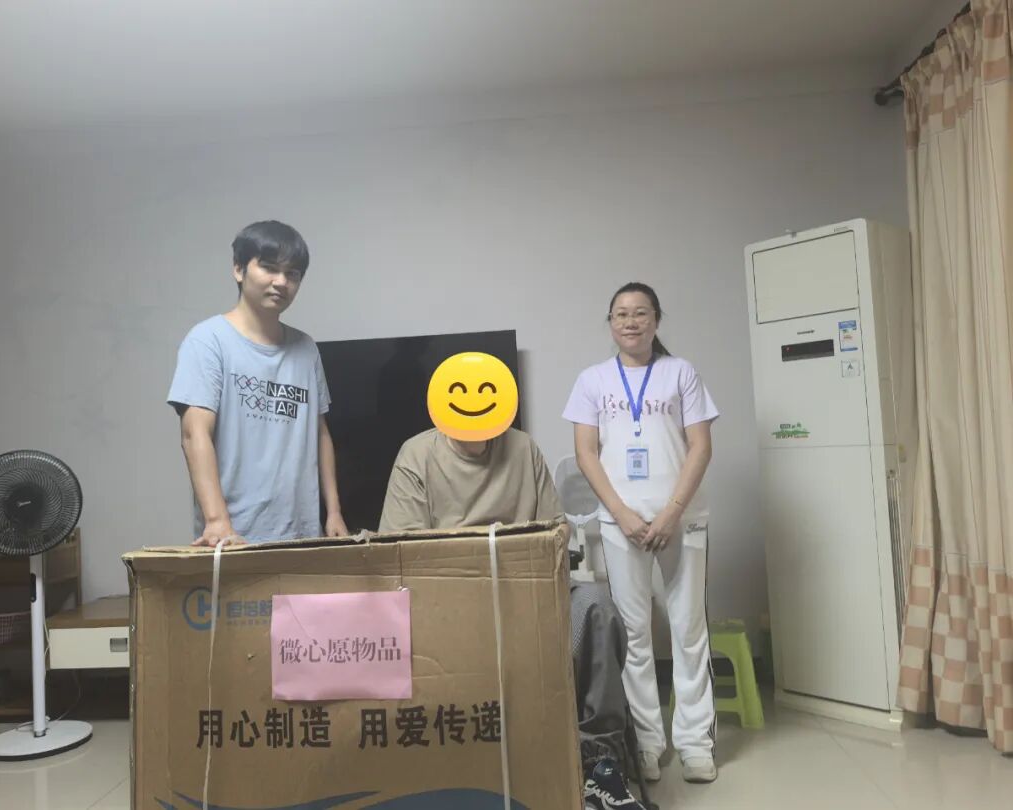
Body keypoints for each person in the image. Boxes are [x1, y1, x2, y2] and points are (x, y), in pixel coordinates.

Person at [379, 426, 651, 810]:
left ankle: (598, 765)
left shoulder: (523, 449)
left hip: (527, 593)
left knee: (595, 607)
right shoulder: (417, 455)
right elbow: (402, 553)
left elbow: (556, 532)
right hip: (450, 606)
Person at [564, 282, 719, 784]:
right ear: (610, 322)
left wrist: (671, 513)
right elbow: (586, 453)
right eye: (621, 314)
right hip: (620, 523)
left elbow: (700, 447)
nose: (631, 322)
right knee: (632, 634)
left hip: (683, 520)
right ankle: (647, 744)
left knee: (688, 630)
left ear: (656, 320)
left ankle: (695, 744)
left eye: (641, 313)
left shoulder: (681, 372)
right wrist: (622, 514)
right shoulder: (592, 380)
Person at [167, 220, 347, 546]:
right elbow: (194, 434)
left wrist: (333, 512)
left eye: (292, 274)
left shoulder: (306, 348)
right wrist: (217, 521)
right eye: (269, 268)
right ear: (239, 269)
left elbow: (319, 432)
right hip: (233, 537)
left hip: (302, 535)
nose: (281, 282)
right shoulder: (207, 341)